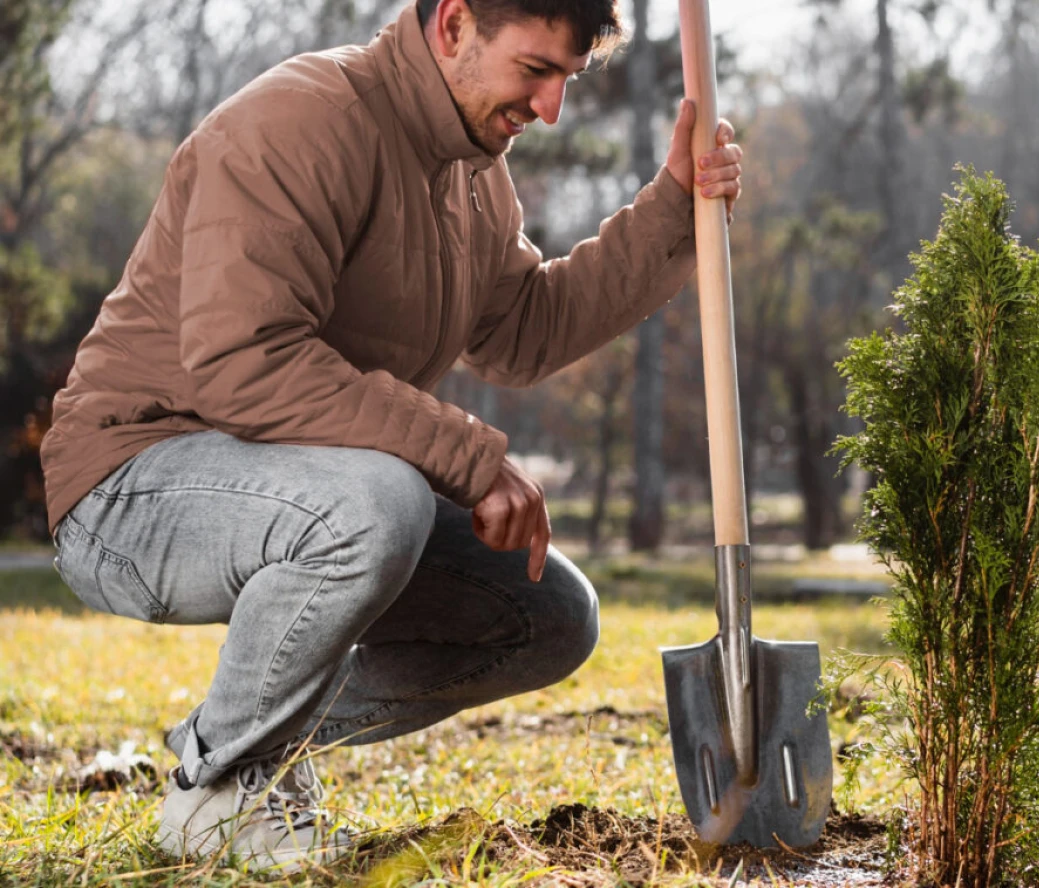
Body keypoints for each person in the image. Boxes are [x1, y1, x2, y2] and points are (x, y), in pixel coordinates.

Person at [41, 0, 743, 871]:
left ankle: (234, 739)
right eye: (535, 70)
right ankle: (216, 789)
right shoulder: (301, 122)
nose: (552, 107)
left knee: (546, 616)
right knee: (380, 501)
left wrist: (673, 208)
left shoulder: (472, 174)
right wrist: (467, 459)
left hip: (296, 487)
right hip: (128, 486)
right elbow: (242, 362)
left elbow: (525, 329)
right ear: (453, 24)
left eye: (569, 78)